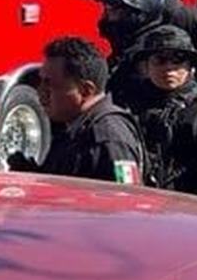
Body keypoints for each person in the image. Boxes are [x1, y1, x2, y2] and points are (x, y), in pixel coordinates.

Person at [8, 37, 145, 185]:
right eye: (40, 82)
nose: (40, 93)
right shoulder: (76, 128)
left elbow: (126, 199)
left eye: (49, 84)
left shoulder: (108, 138)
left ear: (85, 90)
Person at [128, 26, 197, 200]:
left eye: (178, 61)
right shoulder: (131, 105)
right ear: (146, 66)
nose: (169, 68)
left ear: (190, 67)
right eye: (160, 60)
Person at [76, 0, 169, 111]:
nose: (107, 17)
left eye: (113, 9)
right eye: (106, 9)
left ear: (136, 14)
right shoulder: (125, 49)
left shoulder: (148, 54)